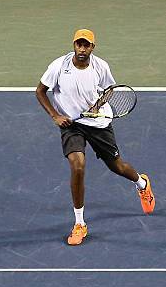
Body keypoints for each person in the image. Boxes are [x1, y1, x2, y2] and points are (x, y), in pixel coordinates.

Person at [36, 28, 155, 245]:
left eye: (86, 45)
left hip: (98, 122)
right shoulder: (59, 66)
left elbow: (110, 89)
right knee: (77, 165)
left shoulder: (101, 66)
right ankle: (79, 223)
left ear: (92, 47)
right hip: (71, 124)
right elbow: (40, 91)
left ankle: (141, 183)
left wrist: (97, 104)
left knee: (117, 166)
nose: (82, 49)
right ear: (74, 45)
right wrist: (55, 115)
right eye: (78, 44)